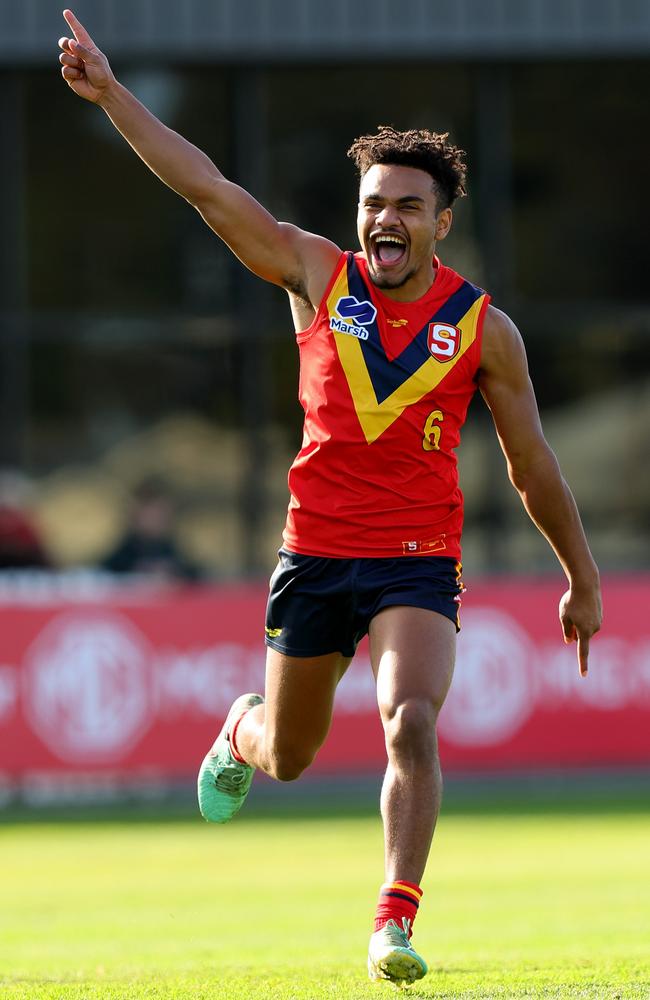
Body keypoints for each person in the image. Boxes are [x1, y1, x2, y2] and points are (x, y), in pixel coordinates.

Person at [59, 9, 602, 986]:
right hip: (312, 556)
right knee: (291, 754)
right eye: (371, 202)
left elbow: (530, 468)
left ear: (441, 222)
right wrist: (111, 97)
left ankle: (391, 921)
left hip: (415, 560)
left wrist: (579, 575)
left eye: (404, 204)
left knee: (409, 718)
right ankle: (238, 727)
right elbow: (205, 189)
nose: (382, 218)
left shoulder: (484, 332)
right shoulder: (314, 275)